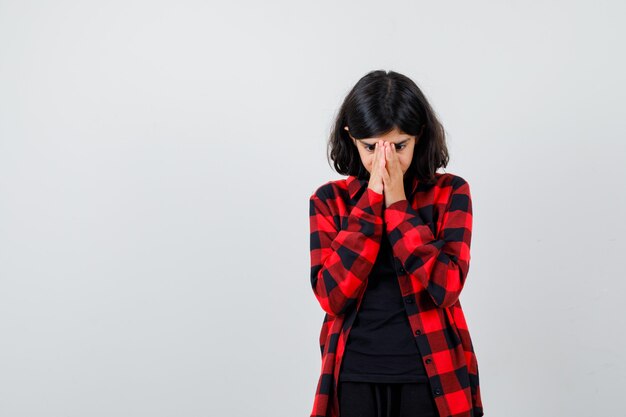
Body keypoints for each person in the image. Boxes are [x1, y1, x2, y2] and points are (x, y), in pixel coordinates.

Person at [308, 70, 484, 417]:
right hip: (354, 375)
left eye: (398, 146)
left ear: (419, 136)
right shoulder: (329, 201)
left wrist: (399, 205)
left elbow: (447, 287)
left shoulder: (451, 193)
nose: (384, 161)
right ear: (351, 137)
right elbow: (331, 296)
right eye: (370, 147)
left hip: (431, 377)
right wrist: (373, 199)